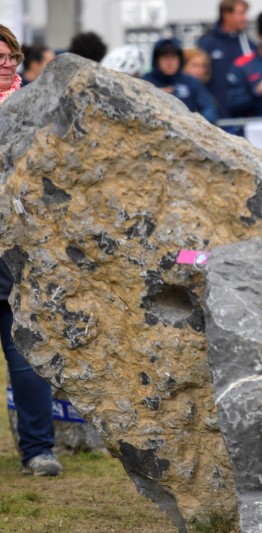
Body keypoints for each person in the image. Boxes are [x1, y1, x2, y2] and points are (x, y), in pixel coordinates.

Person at [0, 24, 62, 477]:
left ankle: (39, 449)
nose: (6, 64)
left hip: (22, 244)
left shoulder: (38, 104)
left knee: (26, 356)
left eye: (11, 57)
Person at [197, 0, 257, 117]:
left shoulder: (249, 45)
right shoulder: (207, 43)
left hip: (244, 117)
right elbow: (199, 80)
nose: (245, 18)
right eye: (241, 14)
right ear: (226, 15)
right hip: (215, 117)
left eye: (245, 14)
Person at [143, 38, 219, 124]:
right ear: (156, 60)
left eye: (173, 57)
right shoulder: (145, 82)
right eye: (165, 57)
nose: (169, 62)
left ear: (180, 60)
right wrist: (155, 96)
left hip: (188, 131)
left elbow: (209, 109)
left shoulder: (191, 82)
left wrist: (197, 123)